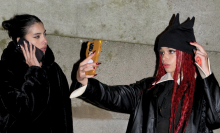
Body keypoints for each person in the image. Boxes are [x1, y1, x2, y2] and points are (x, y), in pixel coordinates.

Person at [70, 14, 220, 133]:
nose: (164, 57)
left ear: (186, 55)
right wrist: (83, 81)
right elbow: (113, 96)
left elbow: (217, 118)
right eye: (161, 52)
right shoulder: (148, 88)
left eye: (171, 51)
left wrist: (206, 73)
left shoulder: (202, 90)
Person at [0, 14, 73, 133]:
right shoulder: (7, 70)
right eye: (37, 36)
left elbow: (64, 117)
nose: (45, 40)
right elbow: (25, 113)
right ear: (21, 41)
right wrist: (35, 72)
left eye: (44, 34)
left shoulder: (53, 69)